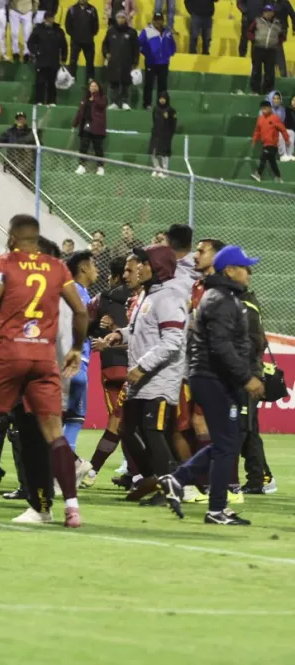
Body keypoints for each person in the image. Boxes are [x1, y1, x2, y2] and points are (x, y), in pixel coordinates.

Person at [0, 215, 88, 527]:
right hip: (44, 358)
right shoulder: (57, 267)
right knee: (53, 433)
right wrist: (77, 347)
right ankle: (72, 509)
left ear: (12, 236)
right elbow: (80, 311)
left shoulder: (4, 262)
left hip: (10, 353)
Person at [160, 246, 265, 526]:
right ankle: (214, 508)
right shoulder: (222, 299)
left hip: (213, 376)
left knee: (225, 443)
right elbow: (221, 347)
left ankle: (181, 482)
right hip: (212, 377)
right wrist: (246, 377)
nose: (249, 272)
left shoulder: (221, 296)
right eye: (245, 267)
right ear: (230, 270)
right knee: (228, 443)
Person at [101, 245, 187, 503]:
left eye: (144, 263)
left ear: (158, 266)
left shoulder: (169, 297)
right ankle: (154, 479)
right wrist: (120, 334)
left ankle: (168, 488)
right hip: (142, 379)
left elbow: (173, 340)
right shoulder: (150, 296)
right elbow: (141, 330)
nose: (139, 267)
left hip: (159, 380)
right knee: (127, 430)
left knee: (153, 431)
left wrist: (143, 366)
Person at [81, 254, 130, 487]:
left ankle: (91, 471)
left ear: (116, 276)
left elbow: (83, 322)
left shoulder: (102, 299)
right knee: (133, 422)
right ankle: (137, 474)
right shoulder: (143, 296)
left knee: (117, 421)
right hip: (139, 363)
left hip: (112, 365)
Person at [63, 250, 97, 455]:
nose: (96, 270)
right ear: (83, 268)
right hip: (75, 362)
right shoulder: (77, 295)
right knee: (74, 417)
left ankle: (57, 470)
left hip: (70, 360)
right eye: (93, 265)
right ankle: (64, 468)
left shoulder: (77, 292)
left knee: (65, 417)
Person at [28, 11, 67, 106]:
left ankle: (51, 101)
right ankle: (39, 101)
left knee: (52, 82)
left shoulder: (58, 31)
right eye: (48, 18)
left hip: (54, 61)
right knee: (40, 82)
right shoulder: (38, 29)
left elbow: (64, 46)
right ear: (44, 19)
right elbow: (30, 43)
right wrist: (36, 51)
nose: (50, 20)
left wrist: (63, 58)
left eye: (51, 18)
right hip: (41, 61)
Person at [102, 11, 139, 110]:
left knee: (126, 83)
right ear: (116, 18)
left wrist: (135, 62)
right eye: (119, 17)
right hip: (114, 62)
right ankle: (114, 102)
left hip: (127, 62)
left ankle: (125, 102)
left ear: (126, 19)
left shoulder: (131, 32)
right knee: (114, 83)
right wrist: (106, 54)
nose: (121, 19)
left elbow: (136, 48)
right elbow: (105, 45)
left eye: (123, 17)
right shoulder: (111, 31)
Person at [138, 13, 175, 110]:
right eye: (156, 20)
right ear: (153, 20)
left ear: (163, 21)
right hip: (151, 62)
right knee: (149, 84)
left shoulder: (167, 31)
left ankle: (161, 105)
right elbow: (139, 44)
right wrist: (147, 54)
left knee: (162, 85)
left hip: (164, 63)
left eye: (160, 20)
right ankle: (147, 104)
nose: (158, 22)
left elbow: (172, 44)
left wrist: (169, 54)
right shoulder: (146, 31)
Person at [247, 5, 284, 95]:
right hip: (258, 48)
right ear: (263, 12)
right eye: (266, 11)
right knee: (256, 70)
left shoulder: (277, 23)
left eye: (269, 11)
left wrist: (277, 43)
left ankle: (268, 91)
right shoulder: (257, 21)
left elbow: (282, 35)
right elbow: (249, 31)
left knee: (270, 71)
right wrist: (254, 39)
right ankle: (255, 90)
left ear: (273, 13)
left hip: (271, 50)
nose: (267, 13)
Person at [73, 79, 108, 175]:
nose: (93, 88)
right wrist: (75, 123)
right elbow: (80, 112)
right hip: (86, 125)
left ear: (99, 88)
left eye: (95, 86)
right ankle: (81, 166)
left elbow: (101, 105)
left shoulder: (102, 97)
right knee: (83, 146)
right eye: (91, 86)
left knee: (98, 147)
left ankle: (100, 167)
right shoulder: (85, 99)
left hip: (97, 126)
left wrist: (95, 96)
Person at [251, 99, 287, 182]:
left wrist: (286, 139)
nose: (264, 109)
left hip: (272, 144)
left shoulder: (275, 118)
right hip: (265, 143)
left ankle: (258, 174)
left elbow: (282, 129)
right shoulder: (260, 119)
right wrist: (254, 140)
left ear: (270, 108)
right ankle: (278, 177)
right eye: (262, 108)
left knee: (263, 157)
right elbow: (257, 131)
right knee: (272, 161)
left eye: (265, 108)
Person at [66, 0, 100, 81]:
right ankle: (72, 77)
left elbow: (95, 25)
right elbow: (68, 25)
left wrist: (90, 35)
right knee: (73, 60)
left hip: (88, 41)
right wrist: (74, 35)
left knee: (90, 61)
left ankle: (90, 78)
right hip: (75, 40)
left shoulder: (92, 9)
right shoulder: (72, 9)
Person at [148, 91, 177, 177]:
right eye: (161, 98)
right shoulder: (156, 109)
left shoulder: (171, 110)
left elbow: (173, 123)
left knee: (164, 153)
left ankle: (165, 170)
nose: (162, 100)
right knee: (153, 152)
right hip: (156, 134)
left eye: (164, 98)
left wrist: (170, 134)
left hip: (166, 135)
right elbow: (154, 120)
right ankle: (157, 169)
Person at [268, 91, 294, 160]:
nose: (276, 100)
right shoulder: (267, 109)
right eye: (274, 98)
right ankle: (283, 155)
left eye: (278, 99)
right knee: (279, 133)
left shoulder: (282, 110)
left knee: (291, 132)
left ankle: (289, 154)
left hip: (280, 129)